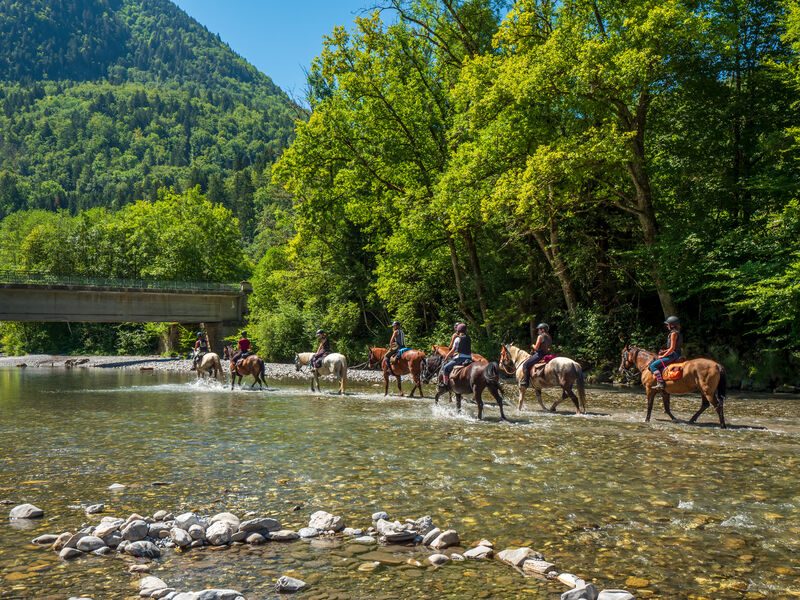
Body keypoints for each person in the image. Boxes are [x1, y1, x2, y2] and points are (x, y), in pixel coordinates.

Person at [649, 316, 683, 390]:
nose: (667, 326)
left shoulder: (673, 334)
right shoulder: (678, 333)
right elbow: (675, 347)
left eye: (668, 324)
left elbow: (672, 348)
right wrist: (664, 351)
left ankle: (660, 383)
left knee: (653, 365)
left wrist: (663, 355)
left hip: (673, 355)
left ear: (672, 325)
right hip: (677, 353)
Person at [521, 323, 552, 387]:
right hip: (548, 354)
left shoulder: (540, 336)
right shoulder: (549, 337)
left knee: (525, 365)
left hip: (540, 355)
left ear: (542, 329)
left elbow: (536, 348)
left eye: (539, 329)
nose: (538, 331)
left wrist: (532, 345)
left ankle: (526, 382)